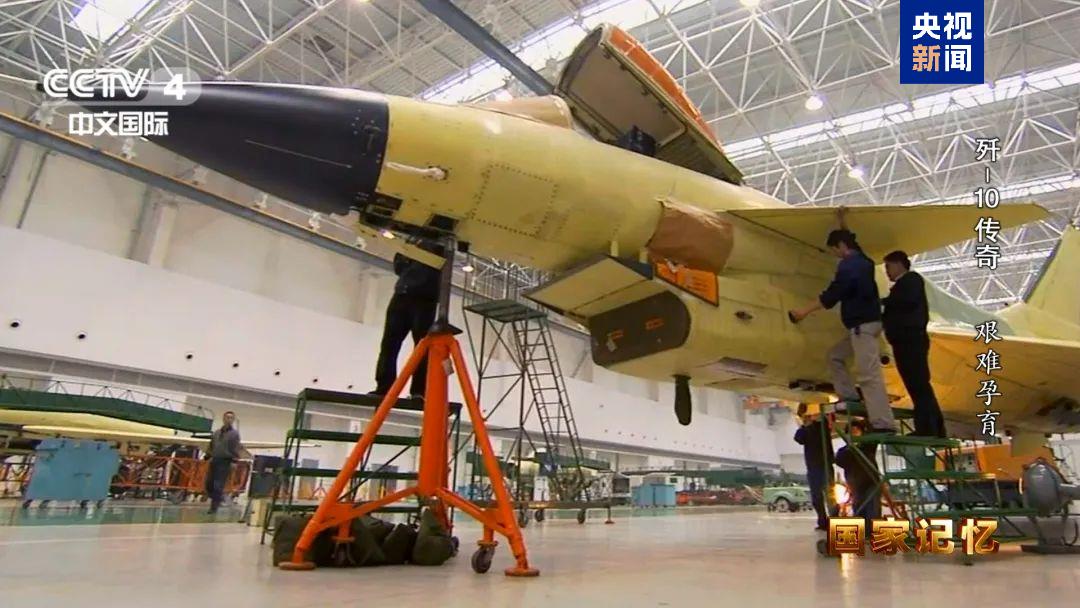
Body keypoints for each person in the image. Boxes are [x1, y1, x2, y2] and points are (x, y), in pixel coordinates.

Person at [789, 229, 896, 433]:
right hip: (866, 325)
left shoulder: (849, 265)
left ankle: (884, 423)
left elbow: (832, 294)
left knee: (869, 375)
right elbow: (852, 246)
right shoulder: (865, 261)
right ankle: (849, 396)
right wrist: (842, 224)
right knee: (835, 357)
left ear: (841, 246)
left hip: (862, 326)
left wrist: (803, 312)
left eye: (835, 250)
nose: (835, 255)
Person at [882, 250, 946, 437]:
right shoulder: (905, 285)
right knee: (918, 386)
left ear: (898, 264)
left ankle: (927, 428)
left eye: (888, 267)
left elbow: (903, 302)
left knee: (918, 385)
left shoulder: (911, 280)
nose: (887, 272)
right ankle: (934, 427)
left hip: (910, 341)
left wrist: (883, 302)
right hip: (907, 341)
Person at [372, 238, 444, 400]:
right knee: (389, 344)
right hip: (403, 294)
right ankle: (385, 386)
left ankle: (418, 390)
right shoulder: (412, 240)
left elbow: (435, 266)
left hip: (424, 298)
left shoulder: (439, 242)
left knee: (421, 346)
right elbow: (398, 267)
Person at [793, 405, 835, 531]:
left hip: (825, 465)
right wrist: (805, 425)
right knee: (817, 497)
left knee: (830, 496)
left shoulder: (822, 426)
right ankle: (822, 521)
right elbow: (798, 438)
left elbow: (829, 420)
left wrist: (818, 417)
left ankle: (834, 520)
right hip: (813, 467)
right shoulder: (804, 430)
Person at [835, 421, 881, 531]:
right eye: (851, 432)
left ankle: (872, 534)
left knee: (873, 512)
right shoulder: (843, 451)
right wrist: (851, 447)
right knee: (859, 511)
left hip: (871, 483)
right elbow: (839, 460)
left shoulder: (867, 446)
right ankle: (864, 534)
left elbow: (873, 435)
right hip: (855, 486)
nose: (854, 434)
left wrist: (867, 422)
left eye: (856, 431)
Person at [205, 411, 242, 514]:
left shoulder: (234, 434)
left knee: (218, 485)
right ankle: (219, 497)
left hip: (225, 461)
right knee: (209, 484)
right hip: (215, 460)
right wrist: (208, 455)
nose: (229, 419)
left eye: (231, 418)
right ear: (223, 418)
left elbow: (236, 448)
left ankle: (214, 507)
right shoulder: (217, 433)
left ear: (233, 420)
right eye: (227, 417)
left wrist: (234, 461)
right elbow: (212, 444)